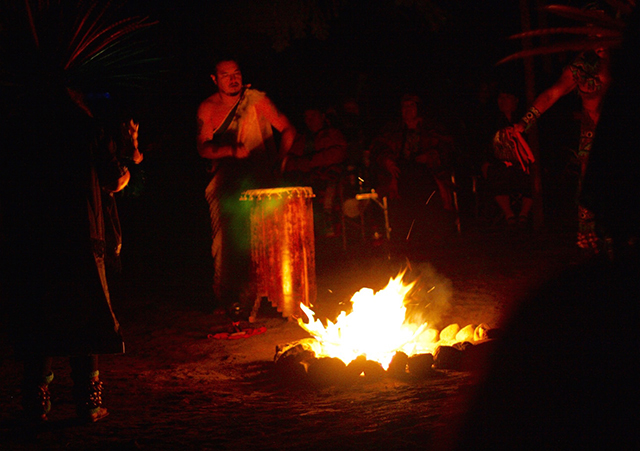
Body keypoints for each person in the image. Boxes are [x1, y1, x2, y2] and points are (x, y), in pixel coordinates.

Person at [196, 58, 296, 311]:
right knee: (225, 242)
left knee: (263, 240)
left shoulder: (256, 100)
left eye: (236, 73)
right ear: (214, 79)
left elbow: (287, 129)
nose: (233, 79)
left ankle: (270, 298)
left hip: (260, 182)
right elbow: (203, 147)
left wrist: (280, 159)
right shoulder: (207, 108)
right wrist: (230, 149)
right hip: (225, 183)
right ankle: (229, 297)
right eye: (225, 75)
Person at [370, 94, 455, 245]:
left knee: (427, 188)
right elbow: (378, 147)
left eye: (412, 106)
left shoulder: (431, 128)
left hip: (427, 170)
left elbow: (446, 146)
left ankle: (429, 232)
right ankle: (403, 234)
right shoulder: (393, 129)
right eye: (405, 106)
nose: (408, 109)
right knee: (401, 188)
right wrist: (387, 161)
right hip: (400, 170)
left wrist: (430, 156)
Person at [283, 105, 348, 237]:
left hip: (326, 179)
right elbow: (289, 160)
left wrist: (310, 162)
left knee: (328, 191)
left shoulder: (332, 134)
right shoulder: (301, 138)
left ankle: (329, 230)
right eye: (307, 117)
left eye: (313, 116)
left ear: (322, 117)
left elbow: (338, 154)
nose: (309, 120)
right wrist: (295, 164)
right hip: (304, 181)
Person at [486, 87, 534, 228]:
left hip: (523, 163)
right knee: (496, 173)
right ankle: (508, 214)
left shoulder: (524, 120)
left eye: (507, 97)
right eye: (500, 97)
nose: (502, 101)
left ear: (515, 100)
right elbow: (487, 145)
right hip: (501, 163)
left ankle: (524, 213)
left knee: (531, 175)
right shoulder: (492, 121)